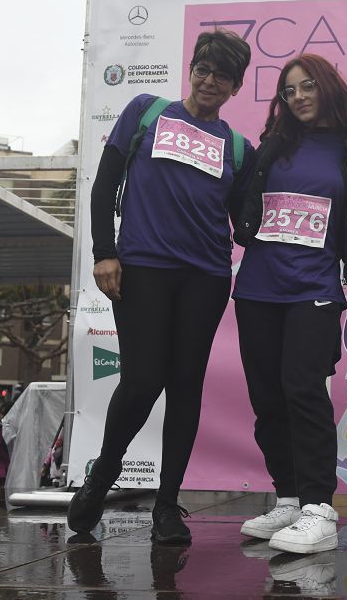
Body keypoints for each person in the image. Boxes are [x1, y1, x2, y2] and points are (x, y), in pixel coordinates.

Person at [69, 29, 255, 544]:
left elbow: (244, 222)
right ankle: (103, 475)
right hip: (142, 268)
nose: (209, 80)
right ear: (190, 68)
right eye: (203, 68)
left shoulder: (240, 148)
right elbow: (105, 185)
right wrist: (104, 252)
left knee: (186, 386)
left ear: (236, 87)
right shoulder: (145, 112)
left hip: (206, 277)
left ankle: (168, 506)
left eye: (222, 75)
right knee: (143, 379)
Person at [232, 54, 347, 555]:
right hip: (256, 288)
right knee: (267, 396)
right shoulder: (271, 148)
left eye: (307, 85)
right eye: (289, 90)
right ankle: (289, 499)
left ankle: (319, 507)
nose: (298, 96)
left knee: (303, 390)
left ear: (329, 87)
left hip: (314, 289)